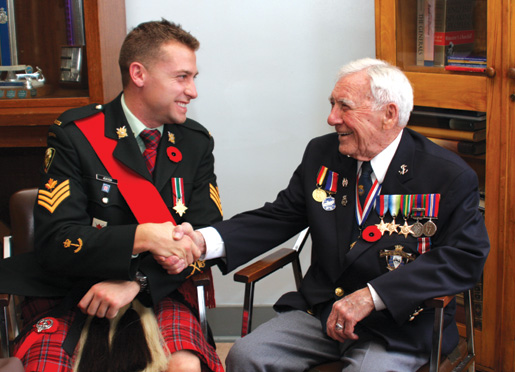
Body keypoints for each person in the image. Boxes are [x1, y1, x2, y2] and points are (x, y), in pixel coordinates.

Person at [163, 58, 490, 371]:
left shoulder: (447, 175)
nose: (332, 118)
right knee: (247, 356)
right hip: (322, 311)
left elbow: (464, 257)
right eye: (332, 104)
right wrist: (203, 241)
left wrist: (372, 297)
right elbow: (279, 216)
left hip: (398, 322)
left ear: (388, 115)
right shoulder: (322, 154)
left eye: (344, 106)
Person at [0, 19, 223, 372]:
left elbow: (206, 238)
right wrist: (142, 236)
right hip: (75, 292)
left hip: (158, 292)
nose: (192, 91)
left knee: (185, 366)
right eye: (182, 77)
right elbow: (56, 241)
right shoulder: (75, 135)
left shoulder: (195, 142)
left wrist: (137, 283)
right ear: (139, 74)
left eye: (193, 77)